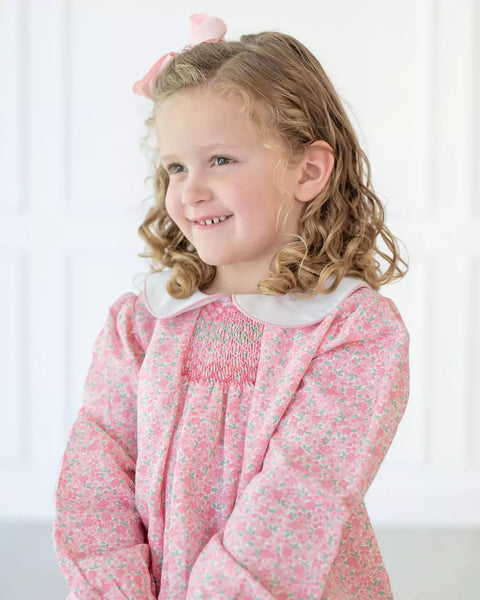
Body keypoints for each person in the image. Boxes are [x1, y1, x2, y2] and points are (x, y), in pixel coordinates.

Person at [53, 12, 410, 599]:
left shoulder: (351, 329)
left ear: (309, 169)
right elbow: (97, 464)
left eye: (220, 159)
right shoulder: (144, 320)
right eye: (176, 167)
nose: (190, 190)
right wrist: (113, 587)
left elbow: (304, 492)